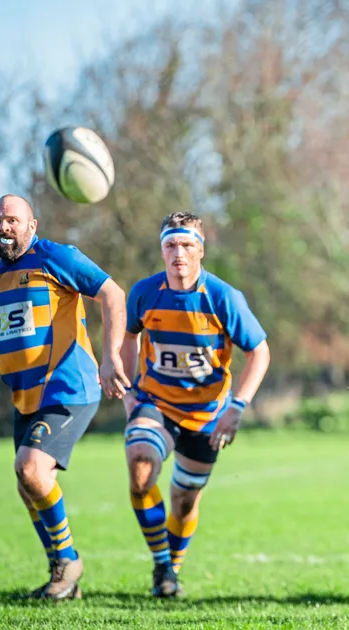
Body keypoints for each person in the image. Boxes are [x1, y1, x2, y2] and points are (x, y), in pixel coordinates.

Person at [0, 194, 129, 601]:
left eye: (13, 220)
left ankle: (68, 560)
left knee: (30, 468)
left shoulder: (56, 257)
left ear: (32, 226)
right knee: (27, 482)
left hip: (70, 387)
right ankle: (63, 574)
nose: (4, 227)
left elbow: (113, 295)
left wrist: (110, 357)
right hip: (25, 397)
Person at [120, 212, 271, 598]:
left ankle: (172, 570)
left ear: (201, 250)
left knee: (184, 502)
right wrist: (129, 390)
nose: (178, 253)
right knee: (140, 465)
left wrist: (237, 408)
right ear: (161, 251)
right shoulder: (144, 293)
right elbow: (128, 338)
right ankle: (161, 565)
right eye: (170, 245)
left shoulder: (223, 297)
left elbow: (259, 351)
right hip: (156, 403)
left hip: (208, 416)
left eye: (187, 245)